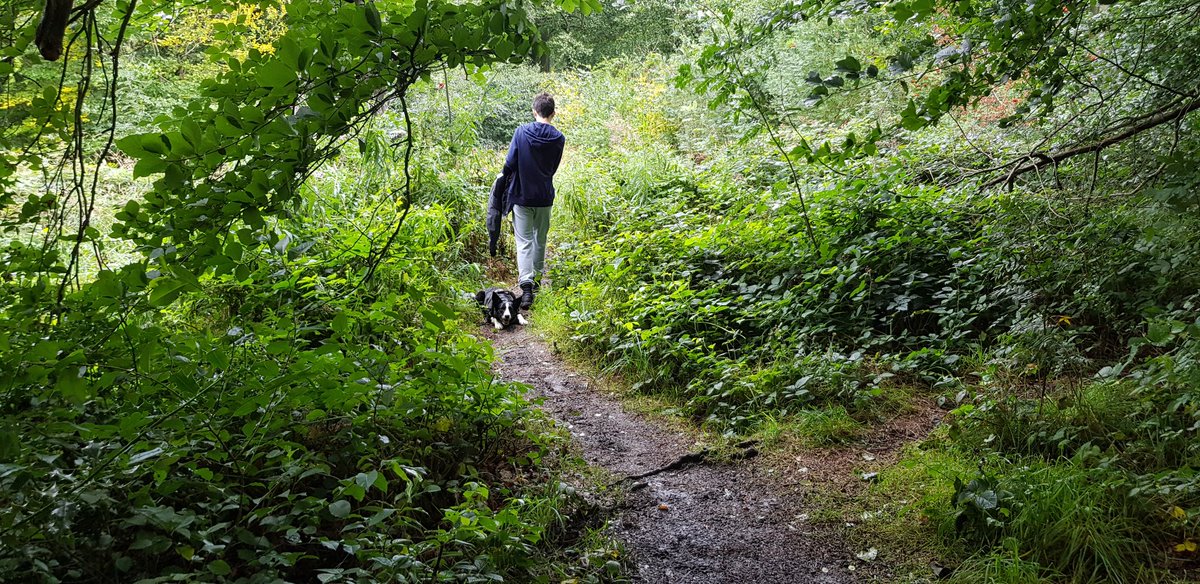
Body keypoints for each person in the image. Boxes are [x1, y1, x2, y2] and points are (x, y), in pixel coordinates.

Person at [500, 92, 565, 309]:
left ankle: (526, 287)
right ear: (553, 113)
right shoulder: (559, 138)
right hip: (544, 196)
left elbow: (509, 163)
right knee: (540, 240)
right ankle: (536, 282)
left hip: (521, 195)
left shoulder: (521, 132)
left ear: (533, 111)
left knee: (524, 242)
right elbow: (553, 168)